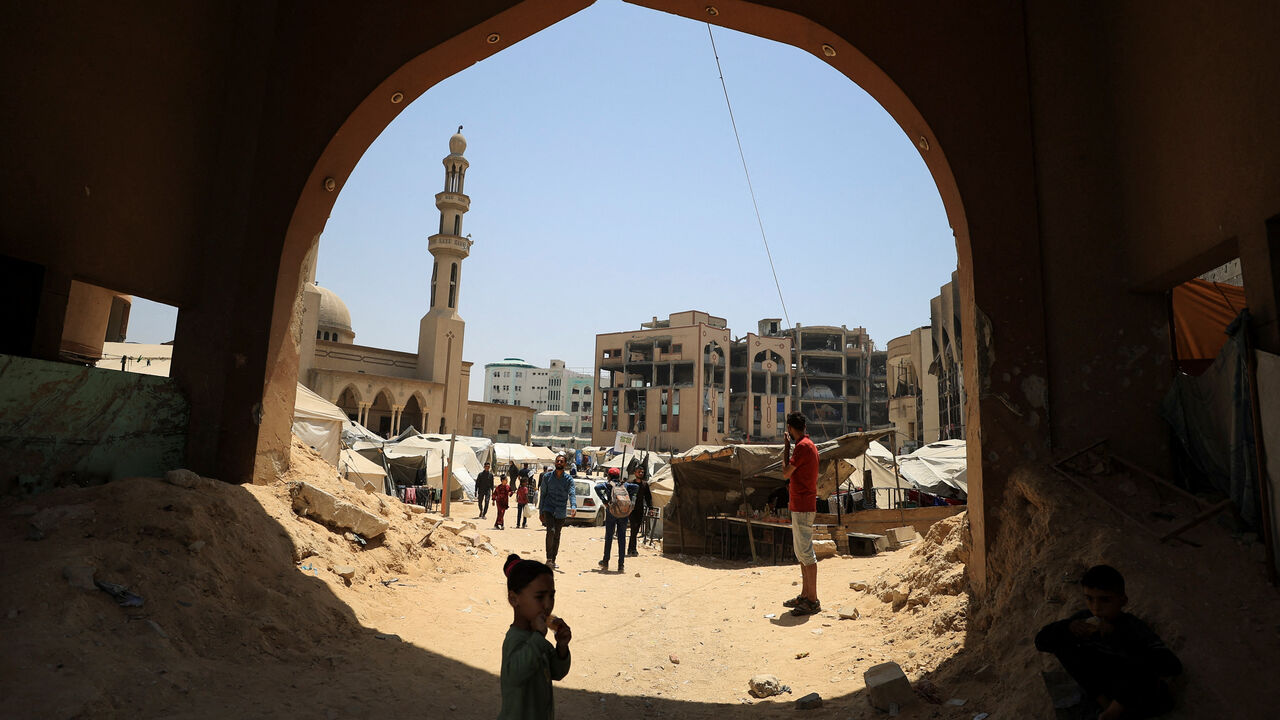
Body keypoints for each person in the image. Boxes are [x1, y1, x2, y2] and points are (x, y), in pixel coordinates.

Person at [1035, 565, 1181, 719]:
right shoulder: (1084, 619)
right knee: (1063, 643)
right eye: (1089, 599)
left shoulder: (1132, 626)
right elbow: (1041, 642)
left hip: (1129, 690)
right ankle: (1105, 705)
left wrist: (1116, 636)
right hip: (1103, 688)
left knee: (1143, 665)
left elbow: (1172, 665)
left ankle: (1113, 712)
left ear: (1122, 601)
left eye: (1105, 600)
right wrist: (1068, 628)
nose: (1096, 608)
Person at [499, 554, 572, 720]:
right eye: (539, 597)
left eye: (551, 596)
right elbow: (516, 676)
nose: (548, 605)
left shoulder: (538, 639)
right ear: (514, 599)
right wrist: (538, 636)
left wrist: (562, 647)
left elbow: (557, 672)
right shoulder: (515, 639)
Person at [781, 411, 821, 616]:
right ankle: (805, 595)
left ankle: (812, 599)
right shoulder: (807, 445)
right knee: (802, 554)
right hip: (801, 505)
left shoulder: (803, 447)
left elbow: (785, 472)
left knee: (806, 554)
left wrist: (786, 448)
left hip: (803, 505)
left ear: (790, 428)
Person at [537, 453, 576, 568]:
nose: (559, 463)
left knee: (557, 535)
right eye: (557, 461)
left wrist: (573, 506)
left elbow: (572, 493)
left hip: (560, 511)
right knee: (551, 531)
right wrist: (541, 511)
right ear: (555, 463)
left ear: (565, 464)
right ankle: (549, 558)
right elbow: (543, 494)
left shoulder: (569, 479)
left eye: (561, 461)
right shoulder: (547, 477)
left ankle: (553, 559)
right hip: (548, 508)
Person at [595, 472, 638, 573]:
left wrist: (604, 501)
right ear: (618, 476)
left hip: (611, 512)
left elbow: (597, 488)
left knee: (609, 537)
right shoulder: (624, 485)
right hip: (624, 513)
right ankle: (621, 565)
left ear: (609, 476)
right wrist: (632, 501)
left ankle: (605, 561)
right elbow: (636, 487)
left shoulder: (608, 485)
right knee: (622, 538)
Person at [626, 464, 653, 556]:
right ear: (635, 473)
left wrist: (650, 508)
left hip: (640, 509)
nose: (641, 473)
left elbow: (648, 497)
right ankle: (632, 549)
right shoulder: (630, 484)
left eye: (642, 472)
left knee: (636, 530)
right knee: (633, 528)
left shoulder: (645, 484)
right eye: (639, 472)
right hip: (631, 510)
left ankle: (631, 549)